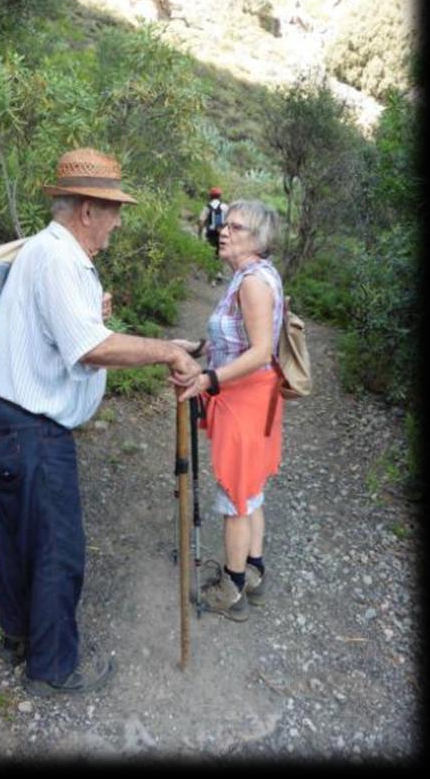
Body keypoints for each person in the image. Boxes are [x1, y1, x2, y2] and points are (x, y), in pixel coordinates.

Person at [0, 147, 201, 696]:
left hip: (9, 418)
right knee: (57, 549)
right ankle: (52, 668)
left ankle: (18, 638)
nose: (117, 222)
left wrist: (91, 318)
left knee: (22, 538)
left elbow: (56, 328)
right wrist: (168, 352)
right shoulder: (61, 259)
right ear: (86, 211)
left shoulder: (46, 250)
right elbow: (89, 350)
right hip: (31, 428)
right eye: (113, 210)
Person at [172, 199, 285, 622]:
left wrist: (208, 379)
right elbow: (240, 341)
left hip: (245, 397)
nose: (224, 231)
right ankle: (254, 570)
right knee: (251, 489)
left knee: (236, 495)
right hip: (254, 395)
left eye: (235, 227)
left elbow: (258, 353)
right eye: (226, 224)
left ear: (256, 239)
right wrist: (199, 349)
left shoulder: (252, 283)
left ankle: (232, 586)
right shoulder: (252, 276)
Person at [198, 186, 229, 257]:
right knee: (220, 253)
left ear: (210, 196)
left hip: (210, 233)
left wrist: (199, 234)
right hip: (222, 233)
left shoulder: (207, 207)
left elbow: (201, 222)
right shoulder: (225, 207)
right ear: (220, 196)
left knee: (210, 252)